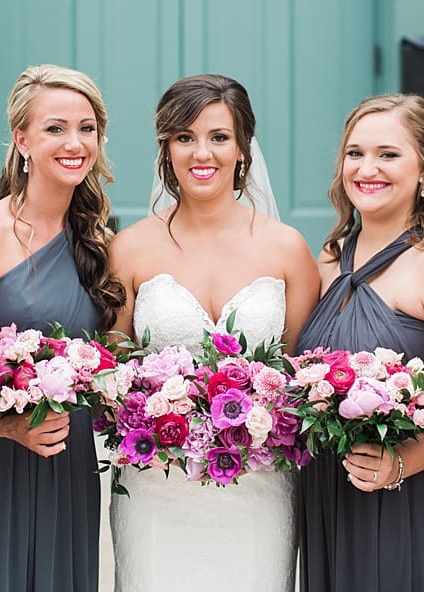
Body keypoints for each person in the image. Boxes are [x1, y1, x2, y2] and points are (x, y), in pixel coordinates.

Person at [107, 74, 321, 592]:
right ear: (166, 149)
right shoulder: (129, 249)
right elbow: (111, 367)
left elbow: (300, 375)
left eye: (219, 137)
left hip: (259, 485)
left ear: (244, 147)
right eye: (185, 137)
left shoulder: (287, 248)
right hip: (156, 486)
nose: (202, 153)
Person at [0, 65, 123, 592]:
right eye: (55, 128)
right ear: (22, 139)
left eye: (87, 129)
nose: (74, 142)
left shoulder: (99, 241)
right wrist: (3, 423)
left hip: (68, 460)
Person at [296, 94, 424, 591]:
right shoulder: (328, 260)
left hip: (418, 496)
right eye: (355, 153)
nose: (368, 168)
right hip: (333, 498)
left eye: (388, 154)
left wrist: (401, 461)